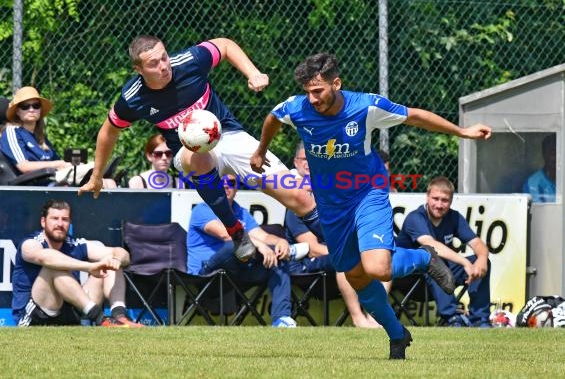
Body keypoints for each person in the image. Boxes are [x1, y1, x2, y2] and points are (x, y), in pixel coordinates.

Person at [251, 53, 491, 359]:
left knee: (377, 267)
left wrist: (462, 132)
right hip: (332, 209)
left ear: (336, 84)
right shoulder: (297, 107)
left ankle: (422, 257)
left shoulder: (366, 107)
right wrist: (261, 150)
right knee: (356, 276)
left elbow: (415, 115)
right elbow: (273, 117)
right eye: (308, 92)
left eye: (318, 91)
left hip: (368, 195)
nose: (312, 99)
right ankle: (397, 335)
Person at [78, 35, 323, 264]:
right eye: (153, 64)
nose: (164, 66)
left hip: (229, 136)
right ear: (138, 70)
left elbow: (225, 45)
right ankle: (236, 231)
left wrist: (253, 73)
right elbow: (108, 131)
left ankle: (339, 241)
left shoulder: (189, 62)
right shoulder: (133, 98)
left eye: (164, 57)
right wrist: (97, 177)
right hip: (187, 153)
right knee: (198, 153)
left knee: (299, 196)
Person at [286, 141, 380, 328]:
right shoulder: (296, 208)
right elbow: (313, 249)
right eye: (303, 159)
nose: (307, 163)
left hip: (333, 257)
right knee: (345, 259)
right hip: (307, 264)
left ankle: (376, 316)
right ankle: (358, 318)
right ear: (295, 163)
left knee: (378, 256)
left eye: (311, 159)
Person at [186, 174, 296, 327]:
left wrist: (281, 241)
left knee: (279, 257)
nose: (226, 185)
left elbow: (262, 236)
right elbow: (226, 235)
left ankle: (281, 319)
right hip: (208, 275)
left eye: (231, 182)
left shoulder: (241, 212)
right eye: (220, 182)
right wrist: (258, 245)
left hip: (237, 272)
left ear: (237, 188)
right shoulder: (202, 209)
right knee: (233, 245)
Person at [11, 199, 142, 327]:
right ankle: (101, 320)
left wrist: (116, 260)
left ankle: (120, 317)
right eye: (55, 218)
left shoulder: (74, 244)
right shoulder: (30, 243)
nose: (60, 224)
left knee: (111, 262)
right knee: (53, 267)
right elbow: (46, 258)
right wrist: (89, 267)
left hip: (69, 312)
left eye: (65, 219)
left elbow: (121, 253)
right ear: (43, 222)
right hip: (35, 316)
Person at [396, 176, 492, 327]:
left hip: (441, 278)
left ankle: (480, 320)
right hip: (409, 280)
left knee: (480, 261)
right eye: (435, 198)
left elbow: (478, 243)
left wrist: (482, 258)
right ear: (427, 197)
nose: (439, 204)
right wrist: (464, 262)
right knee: (431, 258)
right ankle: (452, 318)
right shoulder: (415, 218)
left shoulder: (454, 217)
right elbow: (432, 245)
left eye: (445, 200)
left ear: (451, 201)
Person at [0, 87, 116, 188]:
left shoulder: (40, 137)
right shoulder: (12, 132)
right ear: (17, 112)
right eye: (25, 106)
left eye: (36, 105)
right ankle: (98, 169)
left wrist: (64, 164)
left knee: (108, 182)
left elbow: (57, 162)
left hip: (54, 177)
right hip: (38, 183)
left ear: (40, 109)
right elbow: (24, 166)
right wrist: (59, 164)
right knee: (93, 168)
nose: (31, 109)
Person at [523, 134, 556, 203]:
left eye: (556, 152)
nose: (554, 157)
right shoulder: (532, 183)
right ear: (544, 154)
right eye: (550, 152)